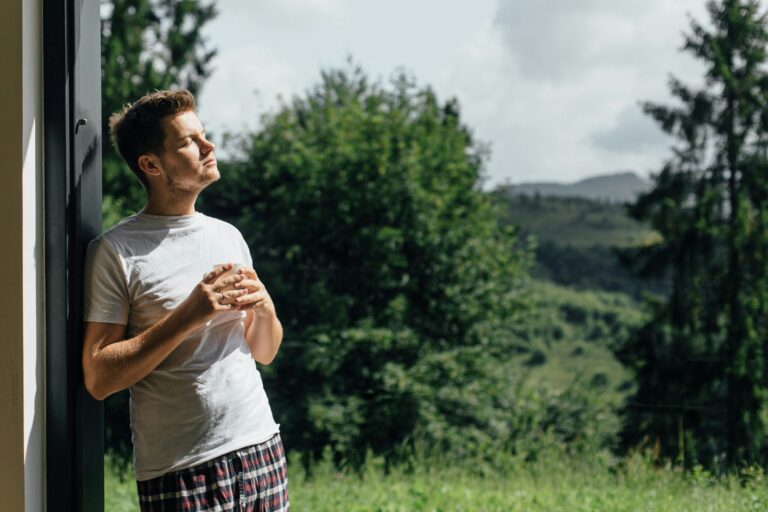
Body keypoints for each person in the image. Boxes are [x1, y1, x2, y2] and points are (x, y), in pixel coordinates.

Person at [82, 89, 289, 511]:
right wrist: (191, 314)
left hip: (260, 449)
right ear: (151, 165)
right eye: (188, 141)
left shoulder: (227, 235)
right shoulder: (116, 251)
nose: (208, 146)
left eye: (204, 135)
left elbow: (264, 351)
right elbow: (99, 376)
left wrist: (266, 310)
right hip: (181, 470)